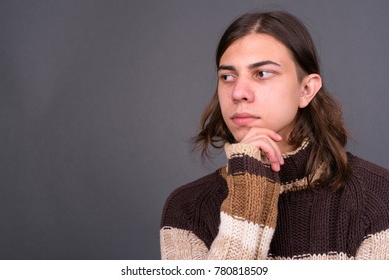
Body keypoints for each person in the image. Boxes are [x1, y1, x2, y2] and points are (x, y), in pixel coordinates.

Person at [160, 11, 389, 260]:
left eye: (262, 74)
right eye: (228, 77)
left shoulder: (379, 196)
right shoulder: (187, 208)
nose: (238, 92)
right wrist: (247, 194)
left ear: (306, 89)